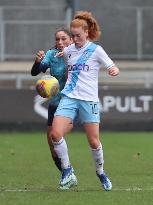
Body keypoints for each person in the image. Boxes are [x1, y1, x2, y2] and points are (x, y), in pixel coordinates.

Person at [50, 11, 119, 190]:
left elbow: (112, 66)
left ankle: (101, 172)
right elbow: (58, 58)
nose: (74, 39)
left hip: (89, 100)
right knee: (55, 134)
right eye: (72, 35)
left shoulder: (96, 50)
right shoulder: (68, 50)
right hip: (69, 97)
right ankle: (67, 171)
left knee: (94, 142)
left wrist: (113, 70)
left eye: (78, 35)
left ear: (87, 33)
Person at [31, 28, 73, 172]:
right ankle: (66, 173)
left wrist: (69, 59)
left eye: (63, 39)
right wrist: (37, 62)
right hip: (55, 103)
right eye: (57, 39)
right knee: (51, 143)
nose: (60, 42)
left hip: (71, 103)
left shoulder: (78, 54)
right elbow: (35, 72)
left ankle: (67, 172)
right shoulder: (51, 54)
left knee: (57, 134)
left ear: (71, 39)